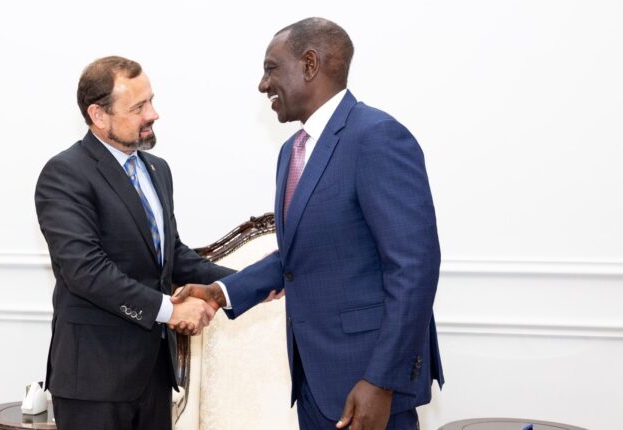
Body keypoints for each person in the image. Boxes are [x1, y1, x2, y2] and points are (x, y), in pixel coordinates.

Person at [173, 18, 443, 430]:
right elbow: (297, 257)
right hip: (314, 380)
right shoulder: (292, 151)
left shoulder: (377, 137)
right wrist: (219, 292)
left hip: (368, 383)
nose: (263, 85)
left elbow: (414, 268)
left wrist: (381, 381)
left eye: (271, 69)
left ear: (310, 64)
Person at [34, 56, 234, 430]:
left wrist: (246, 281)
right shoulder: (65, 173)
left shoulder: (158, 170)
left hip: (154, 376)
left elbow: (172, 256)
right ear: (98, 115)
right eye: (138, 107)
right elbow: (85, 271)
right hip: (94, 380)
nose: (153, 114)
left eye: (151, 101)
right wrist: (170, 310)